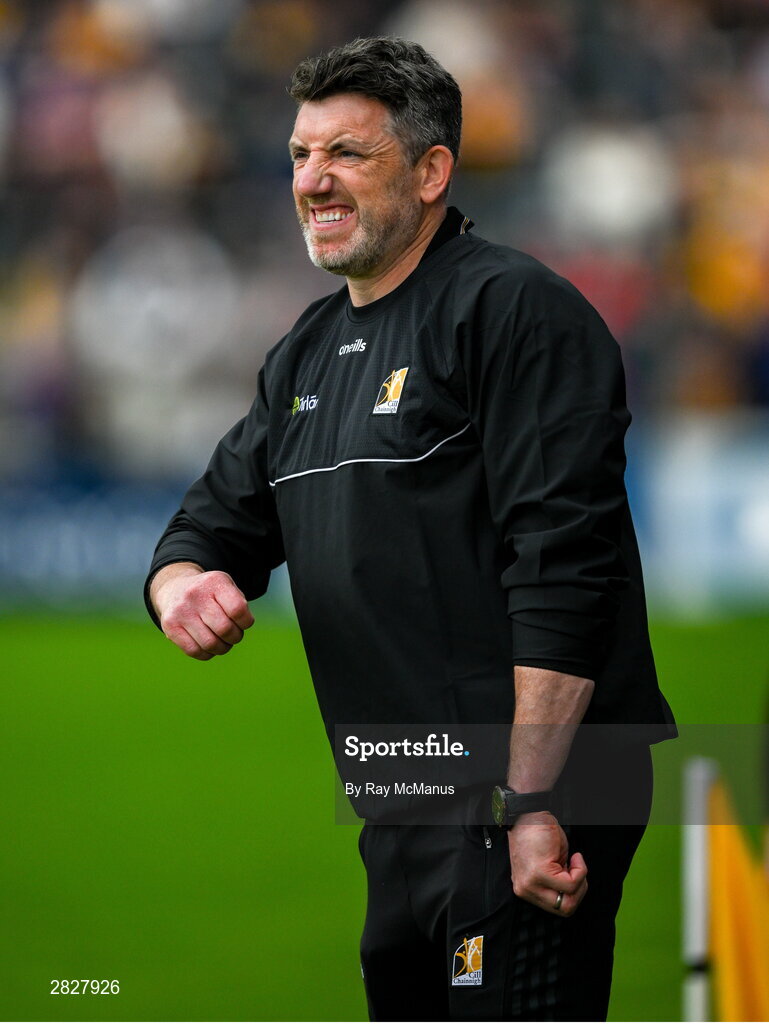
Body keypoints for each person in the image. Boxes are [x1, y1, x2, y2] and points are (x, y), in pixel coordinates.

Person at [145, 36, 675, 1022]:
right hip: (402, 796)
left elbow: (562, 567)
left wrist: (531, 801)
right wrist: (183, 583)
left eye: (347, 153)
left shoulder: (516, 312)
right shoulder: (304, 353)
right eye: (302, 155)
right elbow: (209, 522)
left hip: (524, 790)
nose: (314, 180)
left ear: (432, 171)